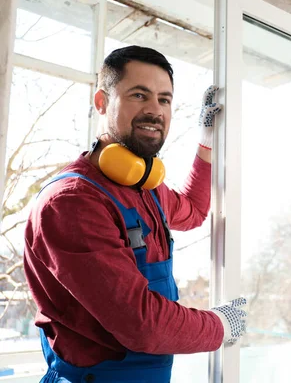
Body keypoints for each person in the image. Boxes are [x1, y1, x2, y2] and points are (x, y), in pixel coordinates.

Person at [23, 45, 246, 382]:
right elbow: (140, 324)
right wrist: (219, 325)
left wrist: (206, 144)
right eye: (139, 95)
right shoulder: (72, 203)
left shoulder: (146, 190)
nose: (155, 111)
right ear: (102, 102)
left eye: (164, 100)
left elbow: (195, 211)